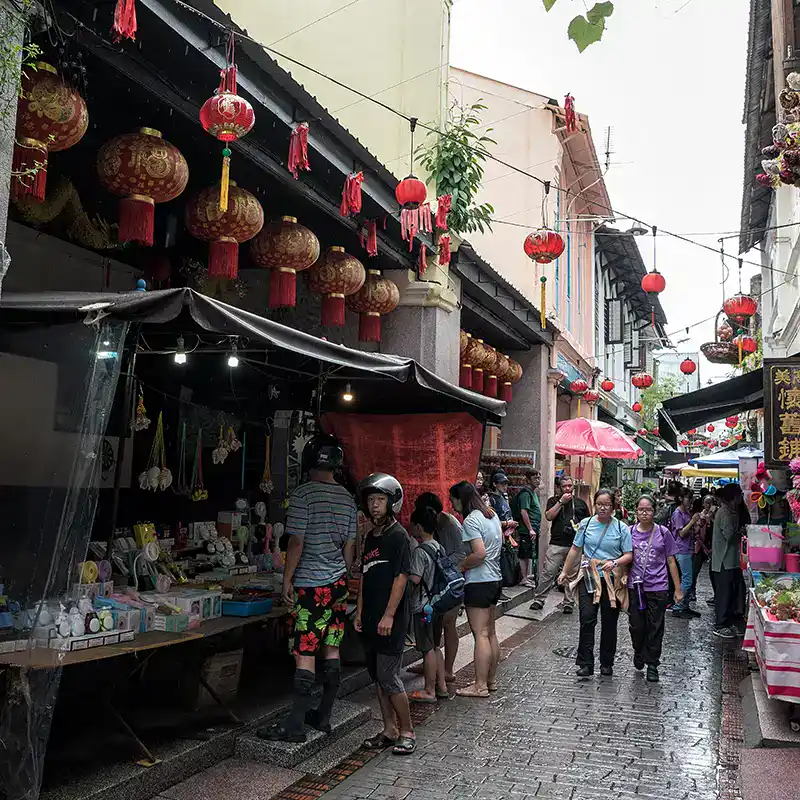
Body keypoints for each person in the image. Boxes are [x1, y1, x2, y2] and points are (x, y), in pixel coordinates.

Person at [258, 435, 356, 743]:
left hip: (310, 585)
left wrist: (287, 579)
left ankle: (296, 725)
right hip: (337, 583)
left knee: (304, 649)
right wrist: (341, 571)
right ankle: (323, 715)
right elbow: (350, 548)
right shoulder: (348, 499)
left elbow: (296, 542)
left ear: (309, 461)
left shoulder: (303, 495)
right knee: (332, 643)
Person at [355, 473, 416, 755]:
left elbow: (402, 577)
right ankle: (389, 729)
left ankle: (407, 731)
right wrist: (359, 608)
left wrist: (389, 615)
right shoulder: (370, 537)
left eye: (380, 500)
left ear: (392, 502)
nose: (375, 506)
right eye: (371, 500)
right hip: (370, 617)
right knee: (379, 677)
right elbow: (365, 575)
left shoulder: (399, 537)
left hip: (390, 619)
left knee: (390, 676)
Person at [558, 488, 633, 677]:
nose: (602, 508)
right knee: (587, 618)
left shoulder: (621, 528)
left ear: (613, 506)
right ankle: (585, 662)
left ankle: (606, 663)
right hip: (589, 577)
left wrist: (614, 562)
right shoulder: (586, 524)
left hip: (611, 580)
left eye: (607, 505)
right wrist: (565, 572)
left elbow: (629, 555)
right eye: (599, 504)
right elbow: (575, 549)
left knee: (609, 622)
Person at [449, 480, 503, 698]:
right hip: (495, 579)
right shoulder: (491, 514)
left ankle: (479, 685)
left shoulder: (471, 520)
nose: (452, 506)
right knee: (490, 632)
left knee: (480, 634)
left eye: (453, 500)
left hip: (479, 582)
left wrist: (461, 565)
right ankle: (490, 681)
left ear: (461, 499)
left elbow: (479, 554)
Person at [627, 495, 683, 683]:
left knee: (656, 626)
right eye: (641, 510)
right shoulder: (629, 532)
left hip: (658, 586)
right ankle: (638, 650)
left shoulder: (663, 532)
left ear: (654, 511)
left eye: (648, 509)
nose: (644, 513)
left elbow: (671, 561)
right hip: (635, 587)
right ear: (636, 512)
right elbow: (624, 557)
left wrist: (678, 589)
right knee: (636, 625)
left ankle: (652, 664)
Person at [409, 492, 463, 683]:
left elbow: (460, 554)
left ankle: (433, 684)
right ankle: (439, 682)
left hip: (433, 599)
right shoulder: (437, 545)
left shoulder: (448, 527)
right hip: (437, 598)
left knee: (430, 644)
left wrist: (443, 574)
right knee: (434, 643)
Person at [406, 506, 451, 703]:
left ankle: (429, 690)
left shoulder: (420, 551)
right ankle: (441, 686)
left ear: (418, 526)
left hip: (424, 607)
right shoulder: (439, 547)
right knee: (436, 646)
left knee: (427, 648)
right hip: (437, 604)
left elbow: (415, 579)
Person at [529, 476, 590, 614]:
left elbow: (588, 521)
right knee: (548, 572)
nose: (568, 488)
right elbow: (549, 516)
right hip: (556, 543)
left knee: (572, 575)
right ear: (559, 488)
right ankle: (539, 599)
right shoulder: (553, 501)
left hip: (575, 544)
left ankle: (568, 602)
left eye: (570, 485)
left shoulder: (580, 503)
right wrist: (561, 502)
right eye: (564, 486)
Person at [711, 483, 746, 639]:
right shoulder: (725, 513)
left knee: (730, 592)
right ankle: (720, 624)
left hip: (731, 560)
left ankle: (727, 622)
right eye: (740, 495)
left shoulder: (731, 511)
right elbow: (729, 536)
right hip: (723, 561)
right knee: (724, 594)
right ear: (734, 497)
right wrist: (740, 532)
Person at [670, 488, 701, 619]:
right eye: (689, 498)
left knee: (689, 578)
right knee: (687, 579)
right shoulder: (677, 513)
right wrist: (693, 522)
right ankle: (678, 606)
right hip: (681, 549)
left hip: (688, 548)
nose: (690, 501)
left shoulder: (686, 512)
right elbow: (681, 533)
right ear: (681, 499)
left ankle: (684, 605)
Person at [512, 469, 542, 587]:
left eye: (539, 478)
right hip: (526, 530)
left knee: (530, 553)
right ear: (528, 480)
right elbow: (524, 512)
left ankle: (527, 576)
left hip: (533, 528)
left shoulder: (533, 492)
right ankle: (523, 578)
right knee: (524, 554)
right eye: (535, 478)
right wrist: (530, 529)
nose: (538, 481)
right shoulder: (525, 494)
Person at [688, 495, 716, 606]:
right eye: (707, 502)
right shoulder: (698, 516)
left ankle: (716, 594)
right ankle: (692, 591)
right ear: (703, 504)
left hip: (713, 547)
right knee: (695, 570)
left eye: (711, 503)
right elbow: (695, 532)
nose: (708, 505)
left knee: (713, 573)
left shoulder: (716, 517)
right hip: (699, 546)